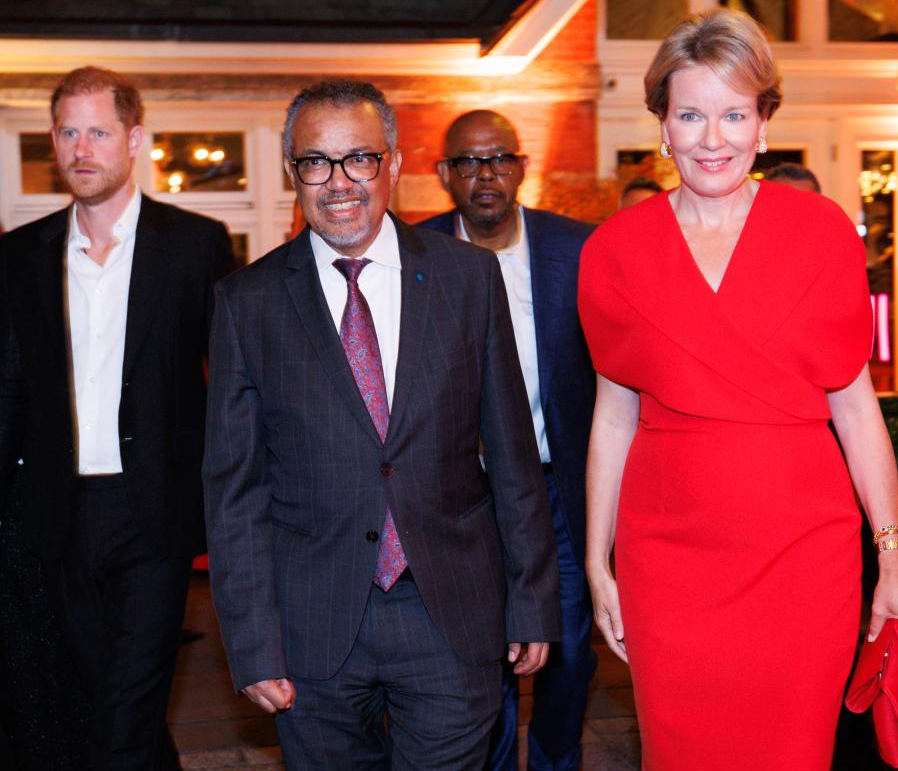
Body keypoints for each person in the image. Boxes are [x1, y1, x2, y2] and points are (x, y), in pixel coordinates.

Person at [577, 10, 898, 771]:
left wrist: (894, 556)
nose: (713, 138)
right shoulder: (615, 251)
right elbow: (613, 417)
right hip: (668, 560)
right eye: (692, 115)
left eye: (734, 114)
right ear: (663, 128)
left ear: (764, 123)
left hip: (803, 558)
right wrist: (596, 561)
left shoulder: (822, 231)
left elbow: (856, 407)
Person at [203, 81, 561, 770]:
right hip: (311, 625)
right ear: (293, 174)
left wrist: (532, 601)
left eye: (358, 158)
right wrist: (251, 643)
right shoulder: (246, 302)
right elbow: (234, 494)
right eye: (315, 162)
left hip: (451, 612)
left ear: (392, 164)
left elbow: (514, 457)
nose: (338, 182)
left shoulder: (469, 279)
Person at [0, 66, 234, 770]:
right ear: (52, 139)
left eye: (98, 131)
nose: (81, 148)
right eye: (68, 131)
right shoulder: (20, 255)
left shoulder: (195, 245)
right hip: (53, 515)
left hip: (153, 516)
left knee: (127, 710)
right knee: (89, 702)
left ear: (133, 138)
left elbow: (231, 383)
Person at [421, 109, 596, 771]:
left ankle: (556, 762)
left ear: (522, 168)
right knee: (480, 653)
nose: (484, 174)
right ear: (444, 175)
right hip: (467, 494)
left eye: (497, 158)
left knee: (570, 649)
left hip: (558, 490)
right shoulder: (415, 253)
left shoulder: (576, 250)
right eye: (467, 162)